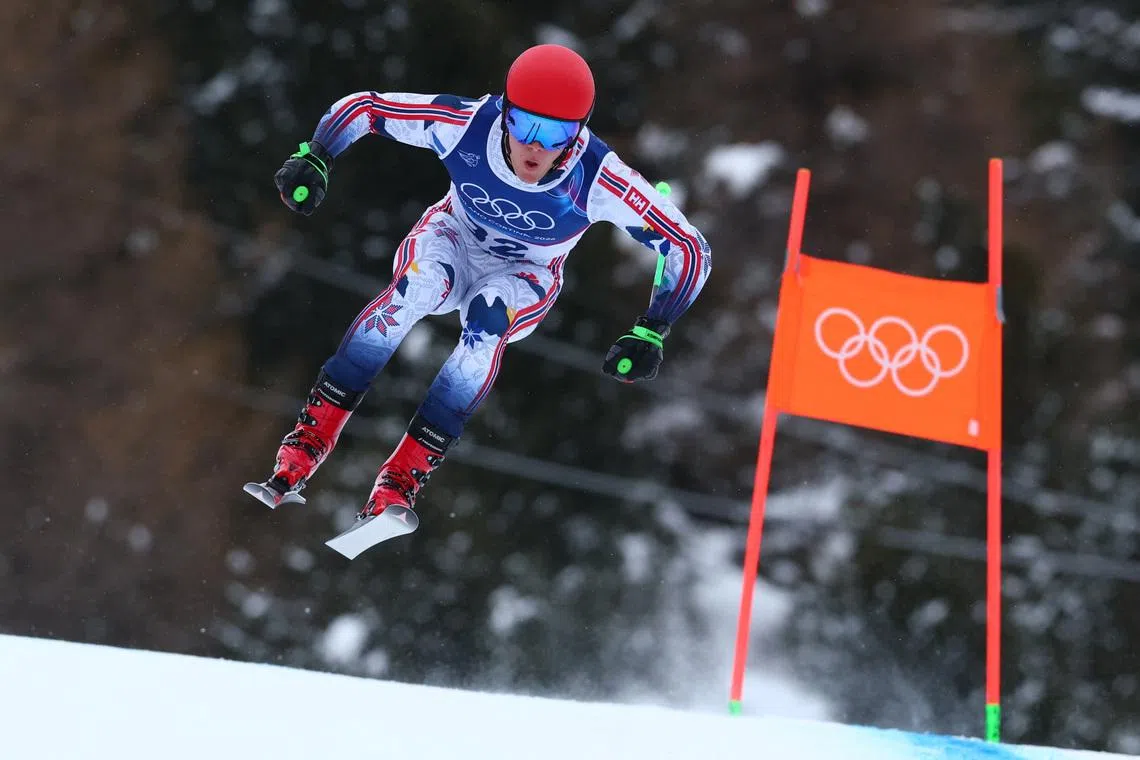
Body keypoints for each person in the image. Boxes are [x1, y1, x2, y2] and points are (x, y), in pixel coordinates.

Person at [247, 43, 712, 524]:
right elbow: (366, 108)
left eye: (556, 133)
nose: (535, 147)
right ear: (505, 112)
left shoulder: (597, 178)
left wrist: (653, 326)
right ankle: (308, 441)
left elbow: (689, 247)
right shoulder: (468, 126)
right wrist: (317, 155)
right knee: (418, 288)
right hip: (452, 236)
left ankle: (400, 480)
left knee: (489, 320)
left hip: (526, 273)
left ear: (578, 133)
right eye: (524, 125)